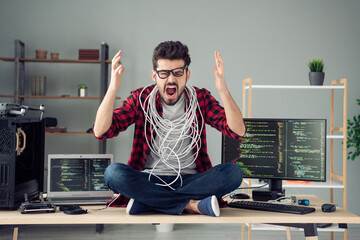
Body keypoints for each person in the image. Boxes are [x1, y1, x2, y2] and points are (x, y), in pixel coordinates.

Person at [93, 41, 246, 217]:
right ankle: (191, 205)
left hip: (191, 180)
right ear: (154, 75)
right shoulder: (141, 99)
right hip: (150, 179)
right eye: (164, 73)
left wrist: (222, 89)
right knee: (113, 174)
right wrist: (113, 88)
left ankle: (150, 202)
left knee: (233, 173)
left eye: (178, 73)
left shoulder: (200, 98)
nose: (171, 79)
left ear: (187, 75)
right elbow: (101, 131)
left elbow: (238, 130)